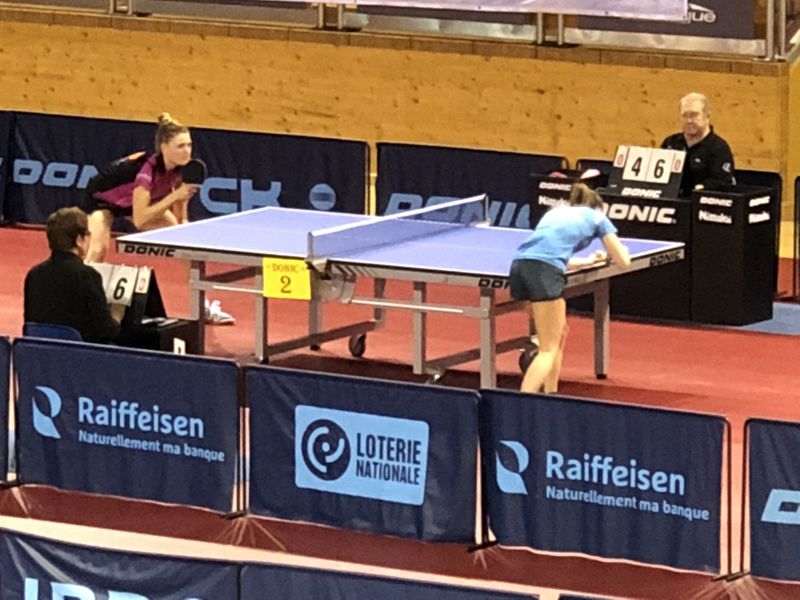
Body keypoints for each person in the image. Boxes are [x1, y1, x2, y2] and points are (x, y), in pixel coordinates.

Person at [82, 113, 234, 324]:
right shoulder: (146, 171)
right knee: (98, 250)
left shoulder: (184, 168)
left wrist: (183, 225)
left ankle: (203, 307)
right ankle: (80, 303)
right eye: (180, 146)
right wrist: (175, 195)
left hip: (136, 204)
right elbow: (140, 219)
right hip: (102, 201)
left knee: (184, 246)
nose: (187, 150)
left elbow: (180, 208)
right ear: (164, 148)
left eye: (189, 145)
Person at [509, 183, 631, 395]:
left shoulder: (555, 212)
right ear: (598, 207)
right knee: (548, 348)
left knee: (560, 333)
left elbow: (549, 254)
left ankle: (551, 392)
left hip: (520, 268)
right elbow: (624, 262)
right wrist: (614, 254)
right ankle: (522, 401)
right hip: (544, 273)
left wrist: (588, 261)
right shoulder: (598, 217)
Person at [24, 207, 124, 344]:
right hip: (78, 353)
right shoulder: (88, 275)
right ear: (79, 240)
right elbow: (106, 330)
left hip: (40, 351)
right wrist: (117, 315)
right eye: (88, 235)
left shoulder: (34, 274)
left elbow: (31, 322)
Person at [661, 92, 736, 197]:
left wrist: (699, 189)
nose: (689, 121)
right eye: (684, 115)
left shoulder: (719, 148)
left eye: (694, 115)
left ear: (707, 115)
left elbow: (722, 183)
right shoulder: (670, 143)